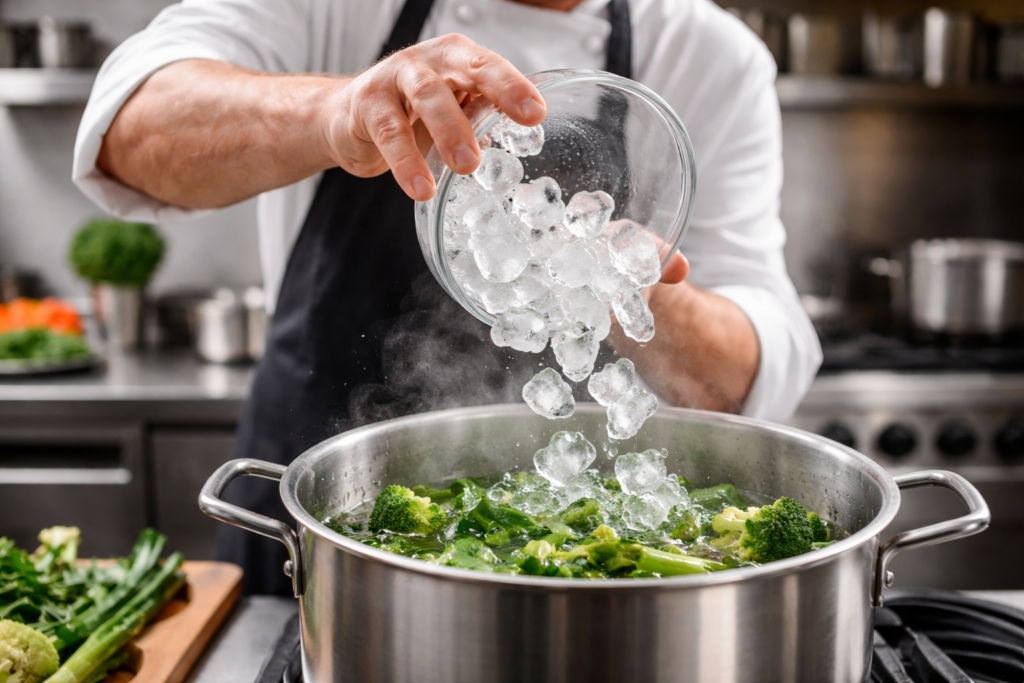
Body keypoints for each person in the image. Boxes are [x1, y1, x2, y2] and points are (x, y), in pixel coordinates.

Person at [73, 0, 821, 594]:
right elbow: (125, 133)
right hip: (311, 539)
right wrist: (334, 117)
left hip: (596, 582)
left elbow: (750, 372)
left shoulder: (710, 53)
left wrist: (624, 280)